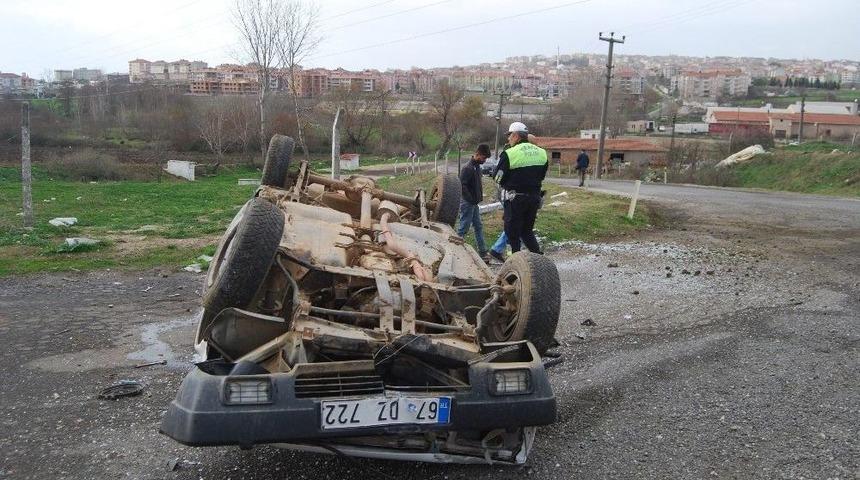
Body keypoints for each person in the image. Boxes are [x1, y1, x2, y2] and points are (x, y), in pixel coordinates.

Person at [495, 122, 548, 254]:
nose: (508, 138)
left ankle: (515, 259)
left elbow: (497, 177)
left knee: (512, 232)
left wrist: (508, 183)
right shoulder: (542, 153)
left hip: (515, 199)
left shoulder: (509, 153)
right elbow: (542, 176)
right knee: (526, 231)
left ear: (516, 136)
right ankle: (538, 258)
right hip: (534, 198)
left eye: (509, 135)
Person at [457, 144, 490, 260]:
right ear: (477, 154)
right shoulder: (468, 168)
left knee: (478, 226)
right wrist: (470, 199)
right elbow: (462, 185)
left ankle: (483, 251)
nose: (485, 160)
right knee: (464, 227)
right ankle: (455, 249)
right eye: (484, 158)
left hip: (474, 203)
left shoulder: (477, 167)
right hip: (467, 203)